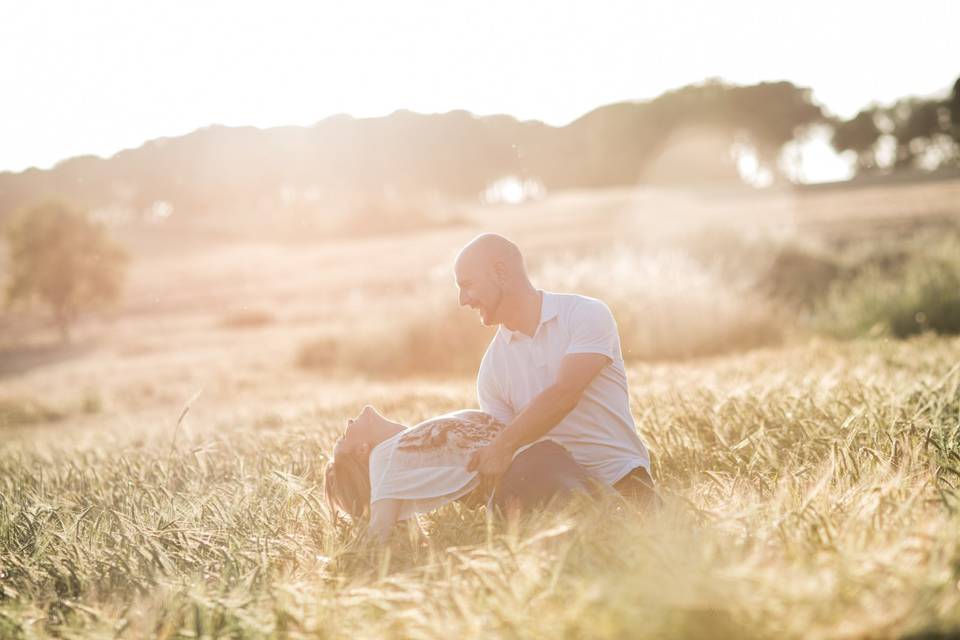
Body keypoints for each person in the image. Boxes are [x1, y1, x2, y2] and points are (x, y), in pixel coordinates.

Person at [454, 233, 657, 506]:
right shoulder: (492, 368)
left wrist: (501, 447)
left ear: (500, 272)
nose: (463, 300)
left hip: (623, 481)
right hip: (550, 491)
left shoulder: (584, 314)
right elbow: (505, 455)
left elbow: (565, 394)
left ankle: (607, 513)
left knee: (538, 460)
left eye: (467, 285)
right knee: (533, 465)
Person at [323, 405, 593, 543]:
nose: (348, 422)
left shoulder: (405, 448)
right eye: (344, 435)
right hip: (524, 476)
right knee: (600, 514)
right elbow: (378, 533)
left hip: (546, 459)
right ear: (361, 450)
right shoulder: (383, 458)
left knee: (608, 513)